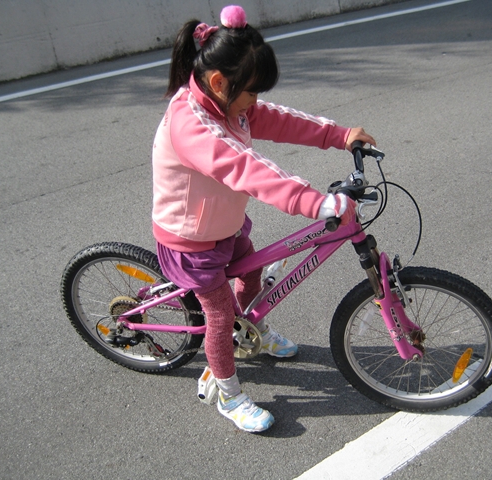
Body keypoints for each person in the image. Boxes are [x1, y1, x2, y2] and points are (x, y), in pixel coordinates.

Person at [152, 5, 376, 433]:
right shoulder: (191, 124)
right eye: (252, 93)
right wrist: (315, 202)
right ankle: (228, 393)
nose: (255, 103)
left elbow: (276, 119)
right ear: (220, 83)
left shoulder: (228, 101)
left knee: (251, 273)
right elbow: (246, 167)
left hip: (224, 224)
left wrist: (338, 135)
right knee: (219, 317)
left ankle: (251, 332)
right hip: (190, 240)